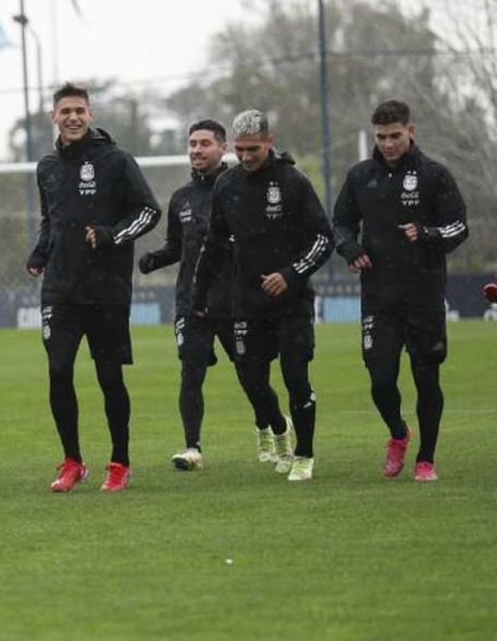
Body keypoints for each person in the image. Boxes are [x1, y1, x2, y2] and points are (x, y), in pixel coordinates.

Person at [26, 84, 161, 493]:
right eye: (65, 110)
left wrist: (111, 235)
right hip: (60, 290)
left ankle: (119, 462)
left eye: (79, 110)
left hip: (107, 290)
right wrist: (40, 252)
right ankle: (72, 461)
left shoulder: (117, 161)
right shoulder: (46, 166)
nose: (72, 117)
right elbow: (52, 220)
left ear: (91, 113)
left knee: (109, 378)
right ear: (54, 116)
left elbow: (149, 212)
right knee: (58, 370)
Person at [139, 120, 289, 470]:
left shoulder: (239, 189)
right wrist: (155, 259)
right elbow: (179, 247)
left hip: (236, 302)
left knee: (252, 378)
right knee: (191, 369)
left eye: (205, 143)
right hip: (192, 302)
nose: (196, 150)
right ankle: (192, 448)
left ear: (224, 148)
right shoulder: (181, 198)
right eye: (192, 143)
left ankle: (274, 427)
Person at [193, 109, 333, 482]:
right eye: (239, 150)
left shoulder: (293, 182)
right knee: (252, 380)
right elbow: (214, 243)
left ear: (269, 142)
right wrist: (198, 293)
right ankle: (278, 429)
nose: (245, 156)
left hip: (292, 303)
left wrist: (291, 274)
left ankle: (304, 453)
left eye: (252, 149)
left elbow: (323, 238)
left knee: (294, 376)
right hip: (246, 302)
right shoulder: (227, 185)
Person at [332, 100, 467, 482]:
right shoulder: (360, 176)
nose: (388, 143)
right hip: (379, 297)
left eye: (395, 135)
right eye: (381, 137)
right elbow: (340, 222)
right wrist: (350, 247)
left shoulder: (434, 175)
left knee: (426, 377)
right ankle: (398, 433)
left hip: (423, 295)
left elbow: (459, 227)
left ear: (411, 131)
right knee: (381, 379)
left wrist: (427, 234)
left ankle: (426, 458)